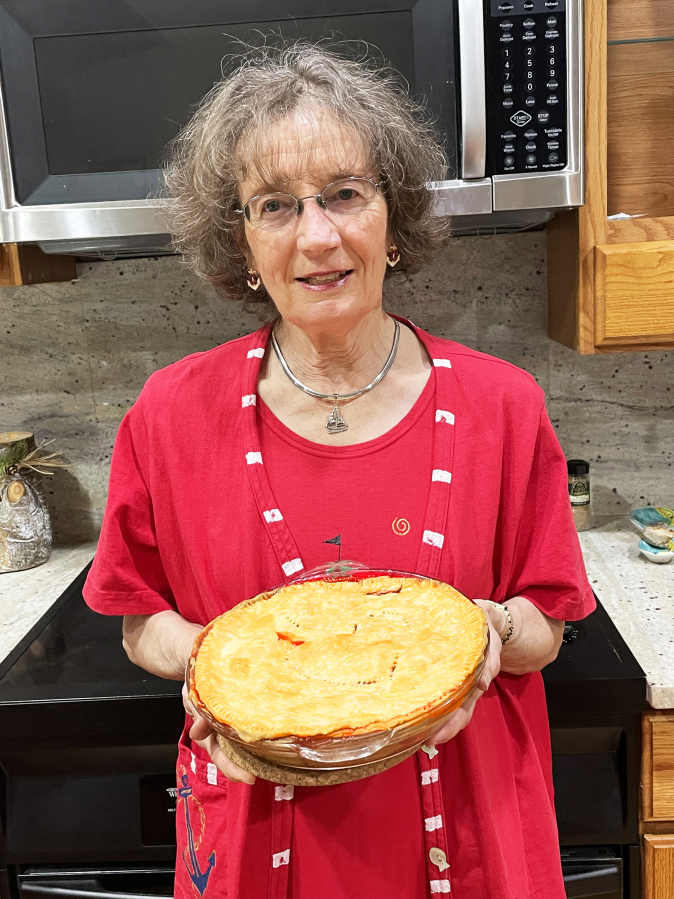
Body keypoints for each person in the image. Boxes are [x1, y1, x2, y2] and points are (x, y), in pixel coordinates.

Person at [84, 43, 594, 899]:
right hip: (256, 837)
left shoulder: (503, 408)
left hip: (466, 840)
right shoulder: (170, 414)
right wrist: (221, 662)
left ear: (392, 219)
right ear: (240, 241)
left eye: (346, 194)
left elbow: (546, 623)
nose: (318, 235)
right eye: (275, 205)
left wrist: (486, 632)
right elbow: (140, 621)